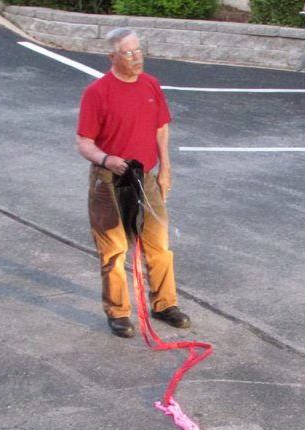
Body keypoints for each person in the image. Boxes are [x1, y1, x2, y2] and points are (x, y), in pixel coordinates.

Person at [75, 27, 190, 338]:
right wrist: (105, 159)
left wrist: (165, 168)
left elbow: (161, 129)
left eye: (139, 51)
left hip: (146, 178)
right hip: (109, 179)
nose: (137, 58)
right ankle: (119, 312)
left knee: (159, 245)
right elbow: (84, 142)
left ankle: (165, 304)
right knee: (113, 249)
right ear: (112, 56)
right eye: (129, 53)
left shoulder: (151, 85)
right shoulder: (97, 93)